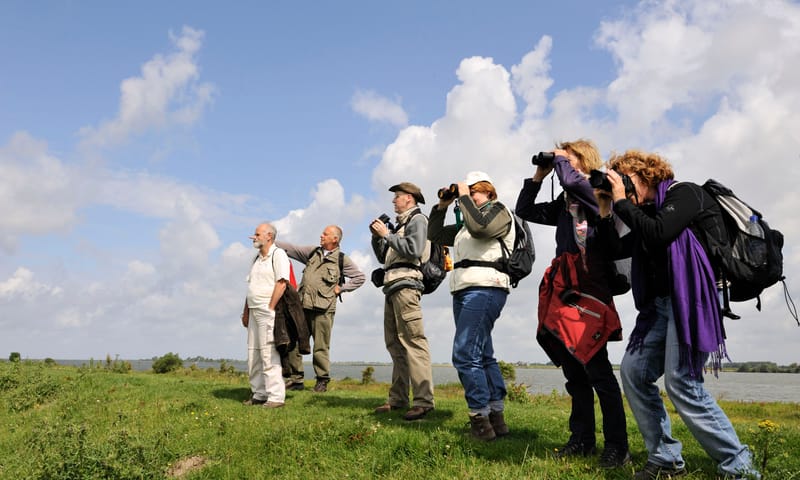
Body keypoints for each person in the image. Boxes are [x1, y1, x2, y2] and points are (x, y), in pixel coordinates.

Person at [597, 150, 759, 479]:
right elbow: (614, 250)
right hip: (659, 307)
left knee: (682, 382)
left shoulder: (685, 194)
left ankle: (740, 468)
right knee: (633, 372)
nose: (623, 191)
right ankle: (666, 459)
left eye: (624, 181)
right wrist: (605, 210)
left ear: (642, 176)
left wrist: (622, 202)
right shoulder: (641, 215)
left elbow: (659, 232)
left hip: (694, 302)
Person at [515, 140, 631, 466]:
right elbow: (524, 211)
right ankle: (581, 439)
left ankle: (617, 446)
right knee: (573, 372)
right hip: (564, 289)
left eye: (569, 156)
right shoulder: (566, 200)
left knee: (598, 372)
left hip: (589, 289)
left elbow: (571, 180)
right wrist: (538, 176)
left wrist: (563, 161)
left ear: (584, 162)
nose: (562, 162)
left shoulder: (592, 190)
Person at [428, 171, 513, 441]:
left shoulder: (499, 212)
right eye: (470, 190)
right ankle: (495, 419)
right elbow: (436, 234)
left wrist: (463, 195)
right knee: (482, 354)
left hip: (486, 286)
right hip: (464, 289)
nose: (471, 194)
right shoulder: (465, 225)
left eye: (476, 190)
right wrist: (442, 205)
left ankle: (479, 418)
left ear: (489, 192)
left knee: (464, 353)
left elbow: (481, 228)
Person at [369, 182, 435, 421]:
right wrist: (378, 238)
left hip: (407, 285)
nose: (394, 201)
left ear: (409, 198)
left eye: (397, 197)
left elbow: (414, 249)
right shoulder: (400, 225)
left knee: (413, 342)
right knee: (395, 344)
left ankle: (423, 402)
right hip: (393, 285)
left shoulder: (418, 220)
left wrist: (387, 235)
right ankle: (398, 399)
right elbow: (384, 257)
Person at [276, 225, 365, 393]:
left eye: (325, 234)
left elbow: (360, 277)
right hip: (302, 306)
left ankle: (322, 381)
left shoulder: (342, 259)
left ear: (335, 239)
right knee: (294, 343)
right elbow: (292, 249)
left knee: (320, 346)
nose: (321, 235)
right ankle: (296, 380)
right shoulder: (312, 252)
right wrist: (270, 241)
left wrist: (342, 288)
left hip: (324, 309)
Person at [240, 222, 290, 408]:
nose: (254, 237)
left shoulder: (278, 255)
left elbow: (282, 283)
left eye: (257, 234)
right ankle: (259, 394)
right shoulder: (256, 259)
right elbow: (250, 287)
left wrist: (270, 307)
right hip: (254, 310)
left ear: (269, 236)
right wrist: (246, 312)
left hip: (267, 310)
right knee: (253, 353)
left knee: (269, 354)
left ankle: (276, 397)